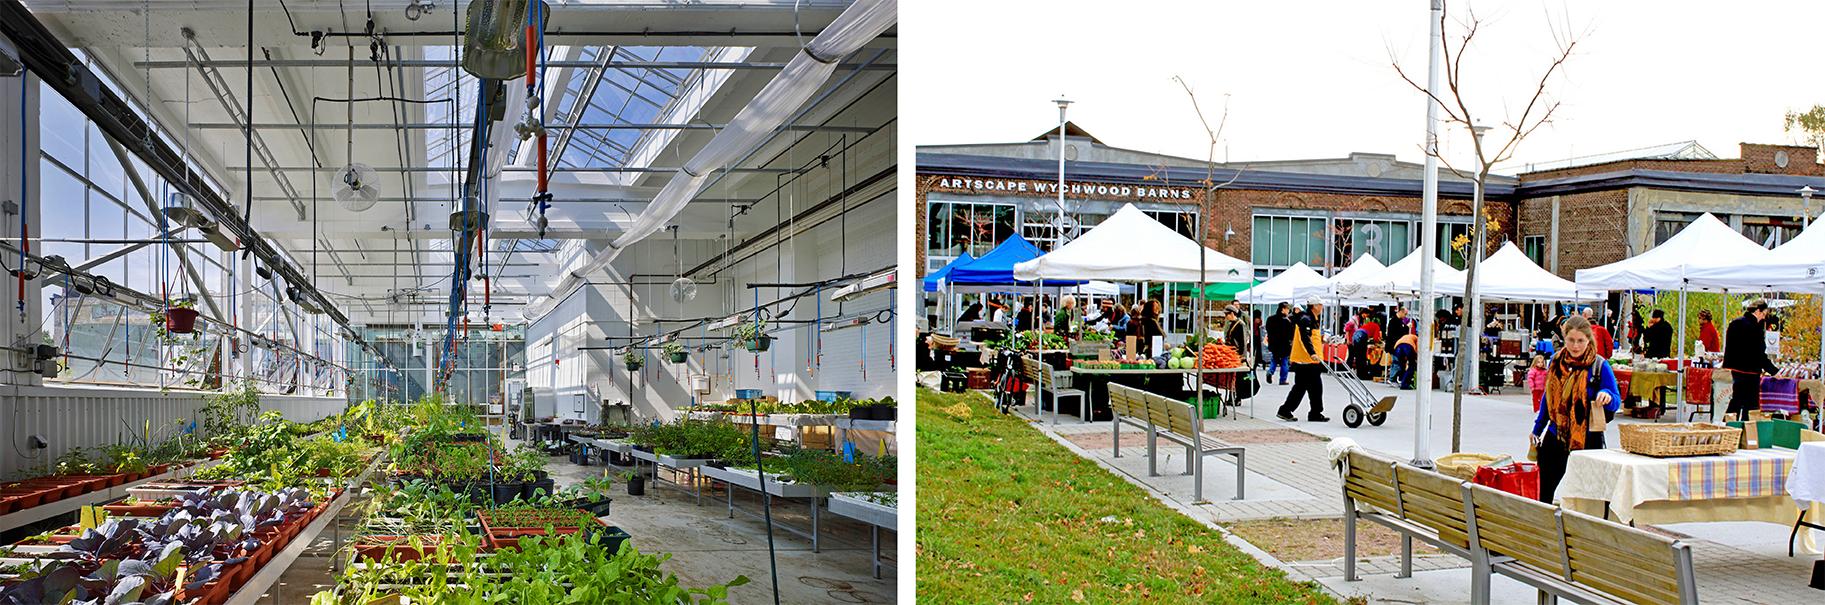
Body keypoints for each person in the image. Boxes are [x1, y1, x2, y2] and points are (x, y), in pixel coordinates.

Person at [1532, 315, 1621, 504]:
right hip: (1556, 434)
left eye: (1580, 341)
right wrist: (1537, 429)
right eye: (1571, 340)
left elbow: (1616, 401)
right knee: (1542, 491)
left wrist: (1606, 395)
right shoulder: (1556, 361)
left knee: (1589, 496)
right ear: (1564, 338)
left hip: (1588, 439)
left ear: (1589, 339)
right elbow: (1549, 398)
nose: (1575, 346)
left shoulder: (1599, 365)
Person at [1724, 299, 1780, 420]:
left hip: (1736, 369)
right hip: (1751, 371)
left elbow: (1729, 348)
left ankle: (1728, 427)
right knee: (1750, 404)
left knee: (1736, 400)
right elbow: (1759, 354)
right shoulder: (1755, 328)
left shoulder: (1735, 323)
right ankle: (1746, 431)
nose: (1764, 318)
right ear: (1758, 311)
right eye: (1764, 314)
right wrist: (1774, 371)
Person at [1278, 296, 1329, 422]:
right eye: (1321, 305)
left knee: (1313, 387)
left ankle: (1314, 412)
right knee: (1303, 387)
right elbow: (1305, 338)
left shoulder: (1312, 319)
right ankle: (1286, 410)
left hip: (1310, 360)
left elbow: (1311, 337)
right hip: (1305, 360)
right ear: (1315, 306)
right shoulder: (1306, 319)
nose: (1322, 307)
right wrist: (1312, 353)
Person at [1266, 302, 1294, 385]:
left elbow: (1268, 330)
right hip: (1284, 344)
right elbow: (1291, 334)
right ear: (1283, 309)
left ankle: (1270, 371)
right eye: (1287, 309)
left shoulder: (1270, 319)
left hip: (1273, 343)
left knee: (1274, 359)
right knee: (1284, 362)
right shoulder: (1286, 321)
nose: (1288, 311)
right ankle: (1282, 380)